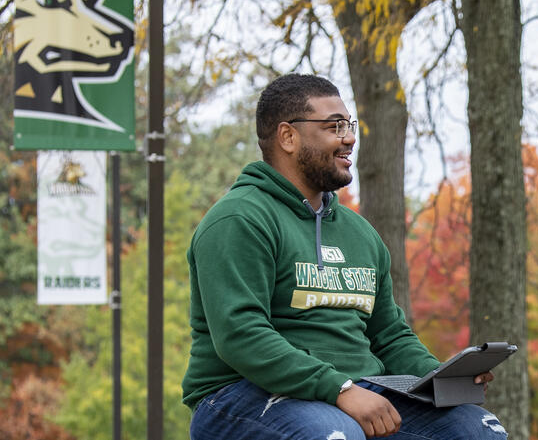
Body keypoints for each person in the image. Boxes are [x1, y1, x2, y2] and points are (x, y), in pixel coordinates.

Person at [184, 73, 505, 440]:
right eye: (334, 127)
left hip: (356, 389)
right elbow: (241, 335)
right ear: (288, 137)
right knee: (336, 435)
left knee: (477, 430)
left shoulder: (360, 233)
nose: (349, 138)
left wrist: (439, 378)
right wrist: (339, 389)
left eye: (349, 125)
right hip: (238, 395)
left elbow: (389, 336)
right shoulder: (239, 219)